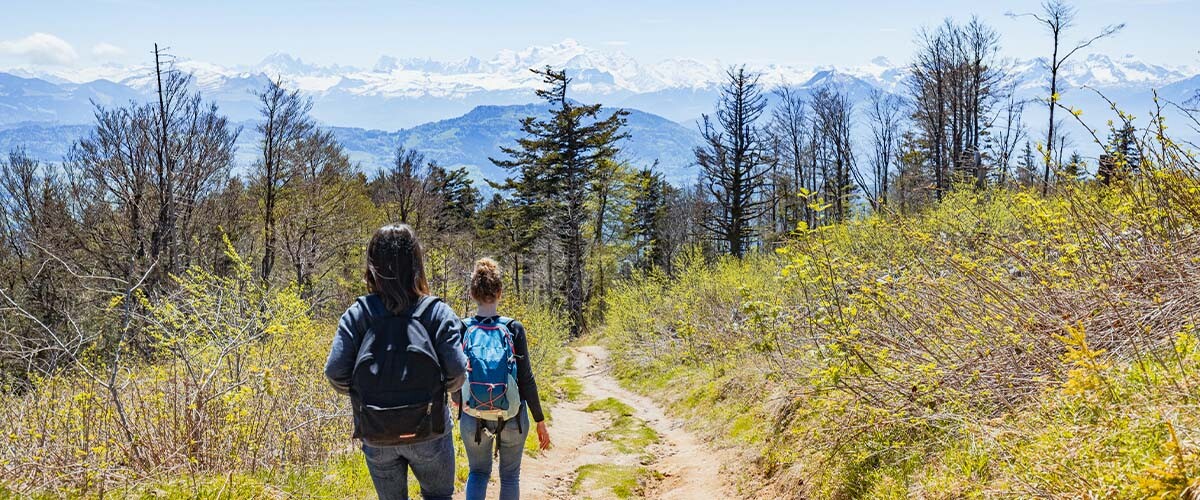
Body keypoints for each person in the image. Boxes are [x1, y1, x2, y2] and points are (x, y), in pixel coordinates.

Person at [325, 224, 467, 500]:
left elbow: (335, 372)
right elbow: (458, 372)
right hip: (430, 430)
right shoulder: (436, 312)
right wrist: (435, 391)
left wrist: (363, 394)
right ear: (417, 264)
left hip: (376, 431)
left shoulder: (358, 314)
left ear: (372, 266)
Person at [455, 258, 551, 500]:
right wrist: (539, 420)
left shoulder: (462, 328)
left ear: (472, 293)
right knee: (509, 476)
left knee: (478, 472)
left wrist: (458, 399)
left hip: (473, 415)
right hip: (513, 416)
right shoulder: (514, 328)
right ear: (499, 292)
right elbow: (526, 378)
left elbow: (453, 374)